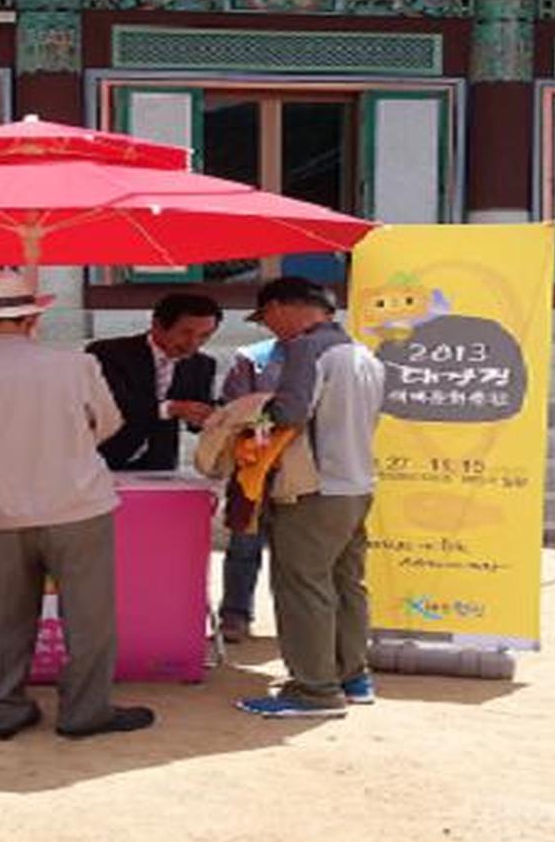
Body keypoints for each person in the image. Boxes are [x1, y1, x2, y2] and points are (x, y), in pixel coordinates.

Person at [0, 271, 155, 741]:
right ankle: (85, 710)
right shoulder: (75, 366)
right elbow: (107, 424)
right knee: (88, 616)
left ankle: (3, 708)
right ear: (31, 317)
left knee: (2, 615)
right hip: (77, 503)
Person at [235, 276, 385, 721]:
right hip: (358, 484)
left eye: (266, 319)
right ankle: (352, 676)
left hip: (313, 488)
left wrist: (248, 415)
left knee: (302, 585)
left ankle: (314, 690)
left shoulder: (305, 349)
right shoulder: (364, 353)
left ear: (281, 307)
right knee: (347, 583)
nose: (269, 330)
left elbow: (290, 413)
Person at [86, 293, 222, 471]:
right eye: (185, 332)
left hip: (160, 465)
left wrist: (210, 416)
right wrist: (171, 408)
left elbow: (195, 421)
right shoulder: (108, 353)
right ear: (157, 325)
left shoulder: (202, 364)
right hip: (102, 459)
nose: (193, 343)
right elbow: (113, 404)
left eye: (205, 335)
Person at [217, 337, 286, 643]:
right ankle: (235, 613)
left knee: (300, 552)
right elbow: (234, 408)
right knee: (244, 543)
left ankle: (297, 620)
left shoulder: (331, 355)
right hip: (254, 465)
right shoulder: (252, 356)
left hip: (309, 467)